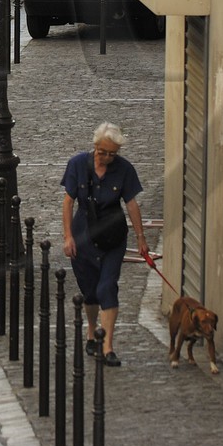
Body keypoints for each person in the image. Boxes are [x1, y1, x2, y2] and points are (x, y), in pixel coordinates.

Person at [62, 122, 149, 368]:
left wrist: (141, 237)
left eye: (113, 154)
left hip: (113, 237)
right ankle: (92, 333)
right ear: (95, 146)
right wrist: (68, 237)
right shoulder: (77, 165)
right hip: (83, 235)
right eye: (103, 152)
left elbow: (131, 204)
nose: (107, 158)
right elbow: (68, 202)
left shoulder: (124, 169)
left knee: (107, 287)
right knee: (90, 290)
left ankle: (107, 345)